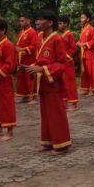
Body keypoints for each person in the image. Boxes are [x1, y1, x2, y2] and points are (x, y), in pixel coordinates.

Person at [23, 11, 72, 154]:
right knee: (45, 113)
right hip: (43, 81)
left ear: (50, 22)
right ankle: (48, 141)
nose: (37, 23)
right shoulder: (40, 39)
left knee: (56, 113)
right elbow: (40, 60)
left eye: (41, 20)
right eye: (37, 20)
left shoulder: (57, 39)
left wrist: (43, 69)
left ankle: (62, 143)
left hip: (53, 82)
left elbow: (62, 63)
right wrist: (33, 67)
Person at [15, 13, 39, 104]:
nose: (21, 23)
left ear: (28, 21)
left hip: (29, 59)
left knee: (30, 78)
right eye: (20, 21)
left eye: (22, 20)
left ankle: (33, 97)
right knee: (22, 78)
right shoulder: (21, 32)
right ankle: (24, 96)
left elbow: (33, 46)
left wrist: (22, 49)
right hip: (21, 59)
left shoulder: (32, 32)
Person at [58, 16, 79, 111]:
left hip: (68, 61)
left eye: (60, 23)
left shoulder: (69, 35)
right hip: (62, 62)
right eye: (58, 23)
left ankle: (73, 103)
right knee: (63, 82)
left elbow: (73, 48)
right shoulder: (60, 35)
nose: (59, 25)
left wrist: (67, 55)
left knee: (70, 82)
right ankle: (64, 101)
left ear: (66, 24)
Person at [77, 11, 94, 95]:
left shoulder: (91, 29)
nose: (81, 19)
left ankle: (93, 89)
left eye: (83, 17)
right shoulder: (83, 29)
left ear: (88, 19)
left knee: (91, 71)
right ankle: (86, 88)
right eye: (81, 17)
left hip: (90, 52)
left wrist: (85, 44)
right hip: (83, 53)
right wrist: (78, 43)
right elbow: (81, 41)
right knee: (84, 71)